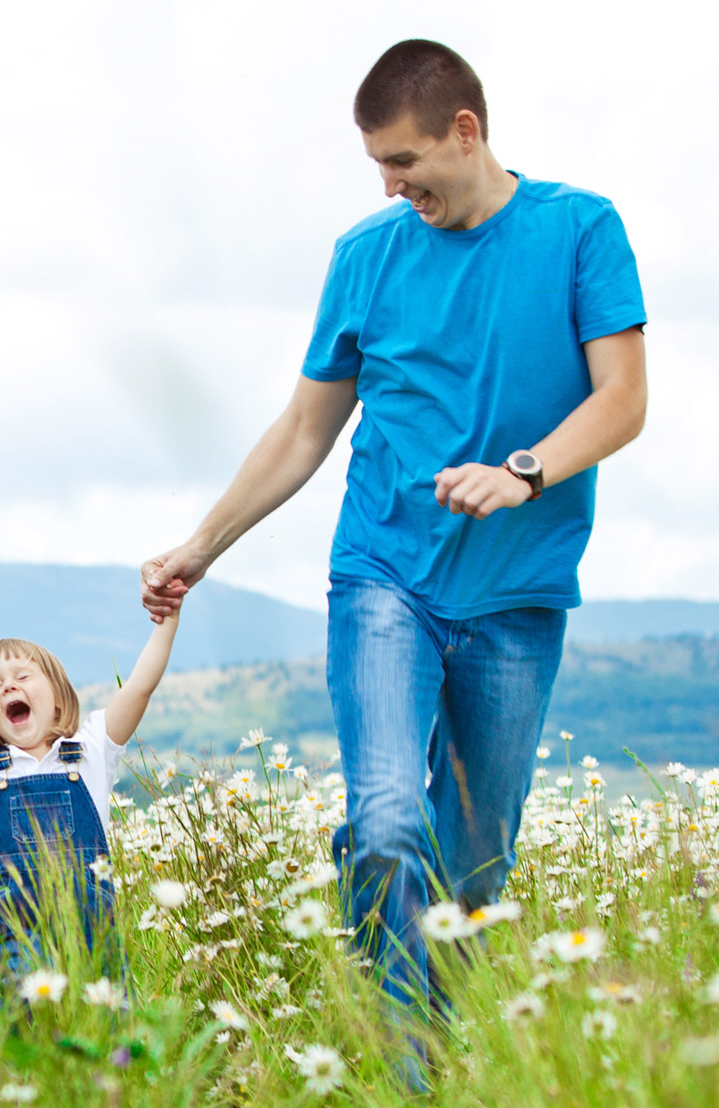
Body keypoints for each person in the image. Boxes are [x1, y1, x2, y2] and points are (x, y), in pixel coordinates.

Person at [139, 40, 649, 1010]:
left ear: (465, 132)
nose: (389, 185)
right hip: (385, 577)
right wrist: (198, 547)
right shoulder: (364, 256)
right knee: (381, 824)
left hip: (517, 596)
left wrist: (522, 473)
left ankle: (439, 1040)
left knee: (473, 870)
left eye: (404, 162)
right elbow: (302, 430)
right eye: (377, 164)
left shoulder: (581, 229)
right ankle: (397, 1054)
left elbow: (621, 400)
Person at [0, 610, 180, 978]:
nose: (8, 686)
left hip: (92, 926)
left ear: (58, 697)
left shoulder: (91, 747)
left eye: (23, 676)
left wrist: (168, 619)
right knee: (33, 1017)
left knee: (108, 1023)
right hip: (15, 928)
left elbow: (139, 686)